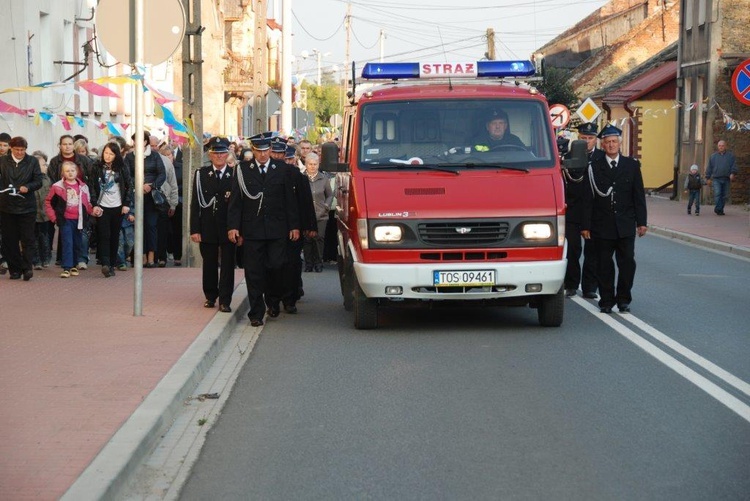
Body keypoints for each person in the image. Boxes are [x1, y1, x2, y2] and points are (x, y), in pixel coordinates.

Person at [227, 132, 300, 327]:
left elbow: (289, 201)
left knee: (276, 267)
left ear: (270, 150)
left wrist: (294, 226)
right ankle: (256, 313)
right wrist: (234, 227)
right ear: (254, 151)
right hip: (252, 230)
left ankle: (273, 300)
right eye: (258, 151)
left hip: (277, 229)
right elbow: (236, 201)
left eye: (265, 150)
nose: (262, 155)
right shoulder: (243, 170)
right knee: (253, 272)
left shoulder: (282, 169)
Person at [582, 124, 647, 314]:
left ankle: (624, 299)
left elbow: (638, 196)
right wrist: (586, 225)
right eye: (607, 142)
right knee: (604, 266)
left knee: (627, 263)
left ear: (619, 144)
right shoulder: (594, 168)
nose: (611, 145)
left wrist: (642, 222)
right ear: (603, 145)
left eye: (614, 142)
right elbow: (588, 199)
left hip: (625, 224)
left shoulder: (631, 165)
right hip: (602, 225)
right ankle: (606, 301)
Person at [190, 136, 236, 313]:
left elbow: (238, 205)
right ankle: (210, 296)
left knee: (227, 265)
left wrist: (238, 228)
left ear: (227, 154)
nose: (219, 156)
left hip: (228, 227)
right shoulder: (201, 174)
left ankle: (225, 299)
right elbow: (195, 203)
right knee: (209, 263)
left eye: (222, 153)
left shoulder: (234, 174)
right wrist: (195, 229)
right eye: (215, 153)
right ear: (210, 155)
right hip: (207, 226)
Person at [270, 136, 316, 314]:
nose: (277, 156)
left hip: (292, 227)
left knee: (291, 265)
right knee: (273, 265)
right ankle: (273, 301)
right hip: (272, 228)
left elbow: (305, 203)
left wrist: (309, 226)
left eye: (280, 154)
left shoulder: (296, 175)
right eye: (274, 152)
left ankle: (290, 299)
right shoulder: (264, 174)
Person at [563, 122, 602, 299]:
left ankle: (589, 287)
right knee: (572, 249)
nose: (587, 142)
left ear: (596, 140)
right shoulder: (568, 157)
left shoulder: (601, 158)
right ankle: (571, 284)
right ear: (578, 139)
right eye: (583, 138)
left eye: (590, 138)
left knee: (592, 251)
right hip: (573, 210)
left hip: (594, 212)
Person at [0, 136, 43, 280]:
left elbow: (38, 181)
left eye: (23, 150)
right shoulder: (3, 161)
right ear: (11, 149)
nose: (20, 153)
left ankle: (27, 267)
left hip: (27, 207)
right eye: (17, 150)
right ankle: (15, 269)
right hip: (7, 206)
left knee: (28, 238)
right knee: (9, 239)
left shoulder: (32, 161)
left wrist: (28, 187)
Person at [48, 134, 93, 269]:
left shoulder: (84, 160)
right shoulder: (55, 161)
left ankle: (81, 259)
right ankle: (66, 261)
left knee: (82, 233)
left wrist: (90, 201)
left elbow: (90, 179)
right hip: (63, 202)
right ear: (60, 146)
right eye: (64, 144)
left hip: (81, 200)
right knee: (65, 234)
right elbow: (52, 181)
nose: (67, 146)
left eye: (69, 144)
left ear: (74, 145)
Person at [45, 160, 95, 278]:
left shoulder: (83, 187)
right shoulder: (57, 187)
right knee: (67, 241)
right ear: (63, 173)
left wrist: (93, 211)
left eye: (73, 170)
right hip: (65, 219)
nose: (70, 173)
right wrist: (54, 217)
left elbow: (87, 203)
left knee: (77, 242)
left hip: (79, 220)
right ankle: (66, 267)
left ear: (77, 172)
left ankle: (74, 265)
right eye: (67, 171)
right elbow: (48, 202)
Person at [90, 142, 132, 277]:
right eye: (106, 153)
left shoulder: (122, 167)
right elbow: (91, 186)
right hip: (102, 206)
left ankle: (112, 264)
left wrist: (126, 204)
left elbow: (129, 186)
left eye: (111, 154)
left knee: (115, 236)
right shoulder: (96, 167)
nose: (107, 156)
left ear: (116, 155)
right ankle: (105, 264)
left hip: (118, 206)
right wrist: (94, 204)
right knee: (104, 235)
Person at [125, 131, 166, 267]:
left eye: (141, 140)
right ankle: (140, 255)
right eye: (135, 140)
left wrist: (152, 186)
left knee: (151, 226)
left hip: (152, 197)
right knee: (138, 225)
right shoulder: (130, 157)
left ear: (146, 142)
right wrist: (137, 185)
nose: (138, 143)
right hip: (135, 195)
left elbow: (162, 174)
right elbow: (126, 175)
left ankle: (151, 255)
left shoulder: (155, 156)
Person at [302, 152, 333, 273]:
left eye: (315, 164)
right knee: (307, 239)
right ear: (306, 164)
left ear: (318, 164)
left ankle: (318, 263)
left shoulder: (324, 178)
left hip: (321, 215)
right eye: (310, 164)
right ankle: (308, 264)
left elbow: (330, 195)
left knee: (319, 238)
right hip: (306, 216)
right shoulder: (301, 178)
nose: (312, 166)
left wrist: (326, 206)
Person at [705, 140, 738, 216]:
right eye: (719, 146)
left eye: (722, 146)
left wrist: (732, 173)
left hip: (726, 178)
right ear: (718, 146)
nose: (721, 147)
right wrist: (708, 177)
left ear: (725, 146)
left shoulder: (730, 156)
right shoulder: (713, 157)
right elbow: (709, 168)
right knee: (717, 193)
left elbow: (734, 166)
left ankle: (720, 209)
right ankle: (718, 208)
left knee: (724, 195)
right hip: (716, 178)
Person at [32, 151, 52, 269]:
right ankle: (36, 260)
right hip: (33, 214)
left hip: (45, 214)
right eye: (44, 165)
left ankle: (46, 258)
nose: (46, 166)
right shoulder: (29, 179)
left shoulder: (47, 179)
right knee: (33, 238)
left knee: (44, 236)